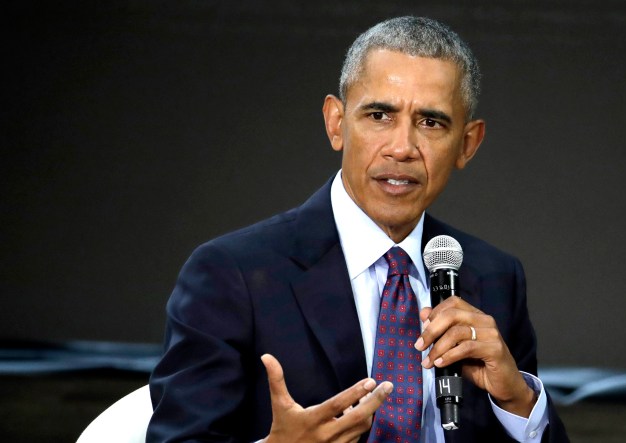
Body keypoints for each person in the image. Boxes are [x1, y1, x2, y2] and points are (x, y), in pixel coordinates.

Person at [148, 16, 569, 443]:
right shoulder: (230, 274)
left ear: (467, 144)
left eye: (431, 123)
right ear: (336, 122)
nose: (402, 148)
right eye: (380, 115)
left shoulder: (495, 277)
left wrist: (518, 400)